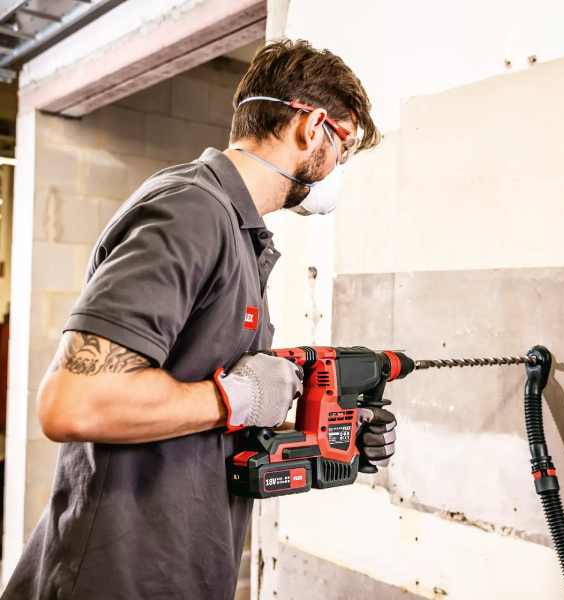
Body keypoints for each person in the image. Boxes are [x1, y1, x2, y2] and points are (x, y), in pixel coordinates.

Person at [1, 39, 395, 600]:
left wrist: (330, 436)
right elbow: (75, 402)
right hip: (117, 578)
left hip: (179, 569)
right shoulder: (190, 211)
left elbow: (198, 414)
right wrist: (237, 397)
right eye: (344, 146)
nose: (338, 167)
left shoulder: (239, 233)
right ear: (312, 127)